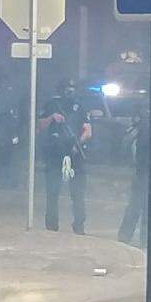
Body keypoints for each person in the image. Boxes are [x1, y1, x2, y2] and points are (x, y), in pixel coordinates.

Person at [38, 79, 92, 234]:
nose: (69, 91)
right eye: (67, 88)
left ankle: (79, 226)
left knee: (78, 194)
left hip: (75, 155)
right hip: (55, 154)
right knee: (52, 192)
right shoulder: (51, 105)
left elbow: (88, 131)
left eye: (72, 88)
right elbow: (39, 126)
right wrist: (51, 118)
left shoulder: (80, 107)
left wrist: (77, 144)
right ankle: (51, 226)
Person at [117, 106, 149, 245]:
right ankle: (145, 239)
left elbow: (126, 147)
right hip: (147, 171)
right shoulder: (150, 128)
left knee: (135, 205)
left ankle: (125, 235)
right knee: (146, 207)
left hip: (140, 171)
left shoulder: (138, 129)